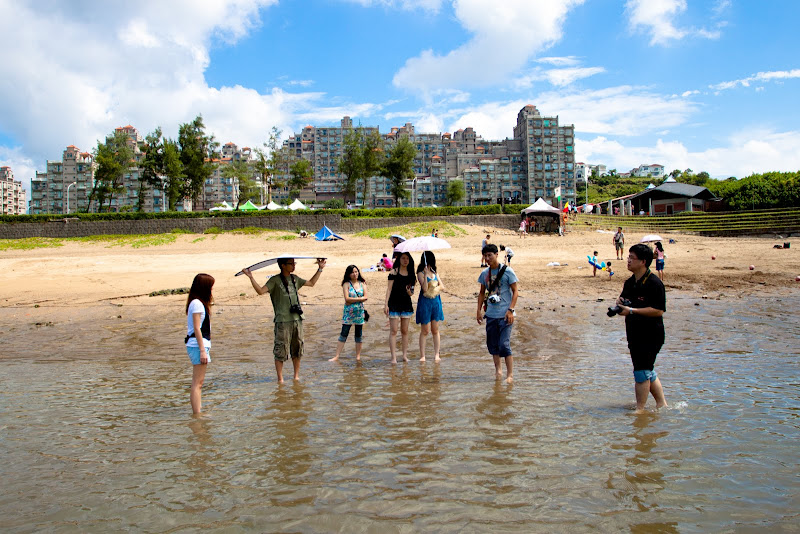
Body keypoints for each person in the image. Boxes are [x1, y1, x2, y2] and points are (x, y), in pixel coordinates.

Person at [241, 257, 326, 383]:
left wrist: (320, 268)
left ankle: (296, 377)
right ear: (282, 265)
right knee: (280, 350)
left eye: (294, 263)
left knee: (297, 348)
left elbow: (311, 283)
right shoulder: (274, 280)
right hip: (282, 320)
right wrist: (251, 277)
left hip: (297, 319)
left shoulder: (295, 278)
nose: (293, 266)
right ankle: (280, 379)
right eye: (290, 264)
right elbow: (260, 291)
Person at [615, 243, 668, 413]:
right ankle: (662, 405)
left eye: (632, 258)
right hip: (634, 334)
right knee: (647, 370)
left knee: (641, 371)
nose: (628, 260)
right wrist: (620, 305)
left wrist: (632, 310)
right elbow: (625, 305)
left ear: (643, 262)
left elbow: (658, 310)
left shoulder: (654, 283)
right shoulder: (629, 283)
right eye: (628, 257)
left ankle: (640, 411)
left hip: (651, 335)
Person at [477, 244, 519, 383]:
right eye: (485, 256)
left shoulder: (508, 271)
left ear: (496, 254)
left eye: (490, 255)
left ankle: (510, 375)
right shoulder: (485, 274)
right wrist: (478, 311)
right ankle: (498, 371)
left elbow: (515, 291)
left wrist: (511, 310)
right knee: (493, 345)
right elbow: (481, 293)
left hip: (505, 315)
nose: (487, 258)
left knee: (504, 345)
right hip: (491, 314)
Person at [185, 273, 214, 414]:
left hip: (199, 345)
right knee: (198, 383)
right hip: (197, 346)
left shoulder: (198, 303)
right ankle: (197, 414)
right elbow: (197, 328)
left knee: (199, 383)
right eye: (210, 287)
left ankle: (198, 411)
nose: (211, 290)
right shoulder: (197, 303)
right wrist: (202, 350)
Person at [330, 265, 368, 362]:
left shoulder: (362, 283)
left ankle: (358, 356)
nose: (355, 274)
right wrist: (360, 299)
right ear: (348, 274)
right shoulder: (346, 284)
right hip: (348, 313)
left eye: (356, 272)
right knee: (344, 333)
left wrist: (354, 300)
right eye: (352, 272)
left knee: (358, 335)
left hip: (359, 312)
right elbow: (347, 299)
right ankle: (337, 356)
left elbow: (366, 297)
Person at [384, 251, 416, 364]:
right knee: (393, 331)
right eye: (403, 258)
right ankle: (393, 357)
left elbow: (411, 292)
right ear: (399, 259)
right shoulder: (394, 272)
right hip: (393, 303)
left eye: (407, 258)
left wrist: (409, 291)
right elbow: (389, 289)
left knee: (405, 331)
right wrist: (386, 304)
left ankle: (404, 356)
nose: (405, 260)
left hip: (406, 304)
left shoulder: (411, 274)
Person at [416, 251, 444, 362]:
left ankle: (437, 354)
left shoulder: (435, 272)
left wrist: (435, 277)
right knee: (425, 330)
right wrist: (425, 275)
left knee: (435, 329)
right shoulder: (420, 273)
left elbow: (442, 286)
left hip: (435, 302)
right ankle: (422, 355)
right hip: (425, 303)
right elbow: (424, 289)